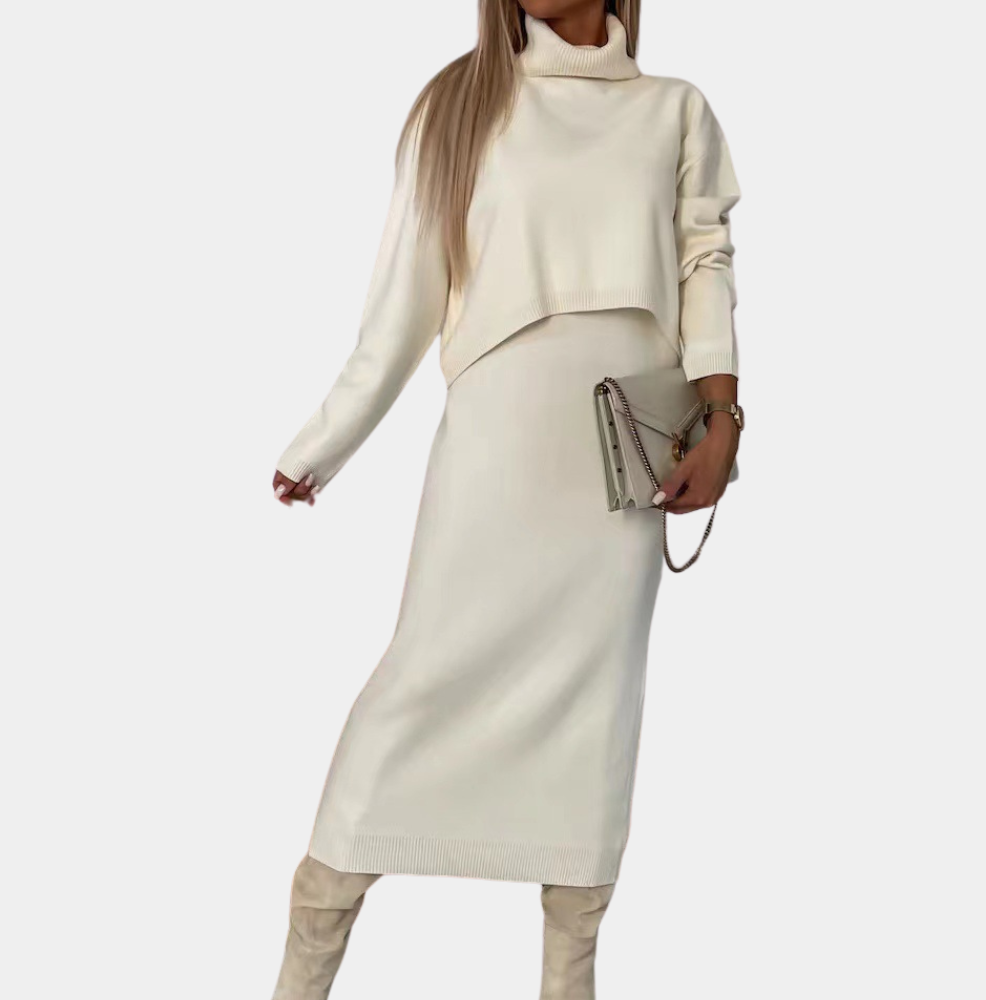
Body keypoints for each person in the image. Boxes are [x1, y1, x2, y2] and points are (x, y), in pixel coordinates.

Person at [269, 2, 743, 997]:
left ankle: (570, 976)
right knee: (413, 689)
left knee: (594, 724)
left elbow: (705, 263)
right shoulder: (460, 105)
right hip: (493, 463)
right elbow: (399, 306)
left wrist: (722, 418)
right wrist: (324, 444)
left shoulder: (674, 111)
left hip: (617, 478)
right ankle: (305, 958)